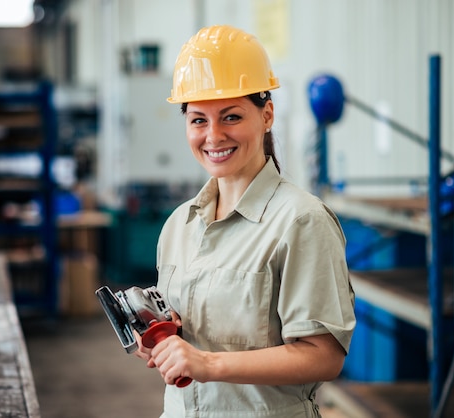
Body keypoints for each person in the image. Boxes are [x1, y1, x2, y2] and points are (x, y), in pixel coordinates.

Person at [134, 24, 356, 418]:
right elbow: (196, 335)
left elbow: (324, 357)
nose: (214, 136)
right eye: (198, 120)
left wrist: (208, 364)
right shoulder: (178, 226)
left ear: (266, 115)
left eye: (231, 116)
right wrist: (164, 340)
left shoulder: (300, 221)